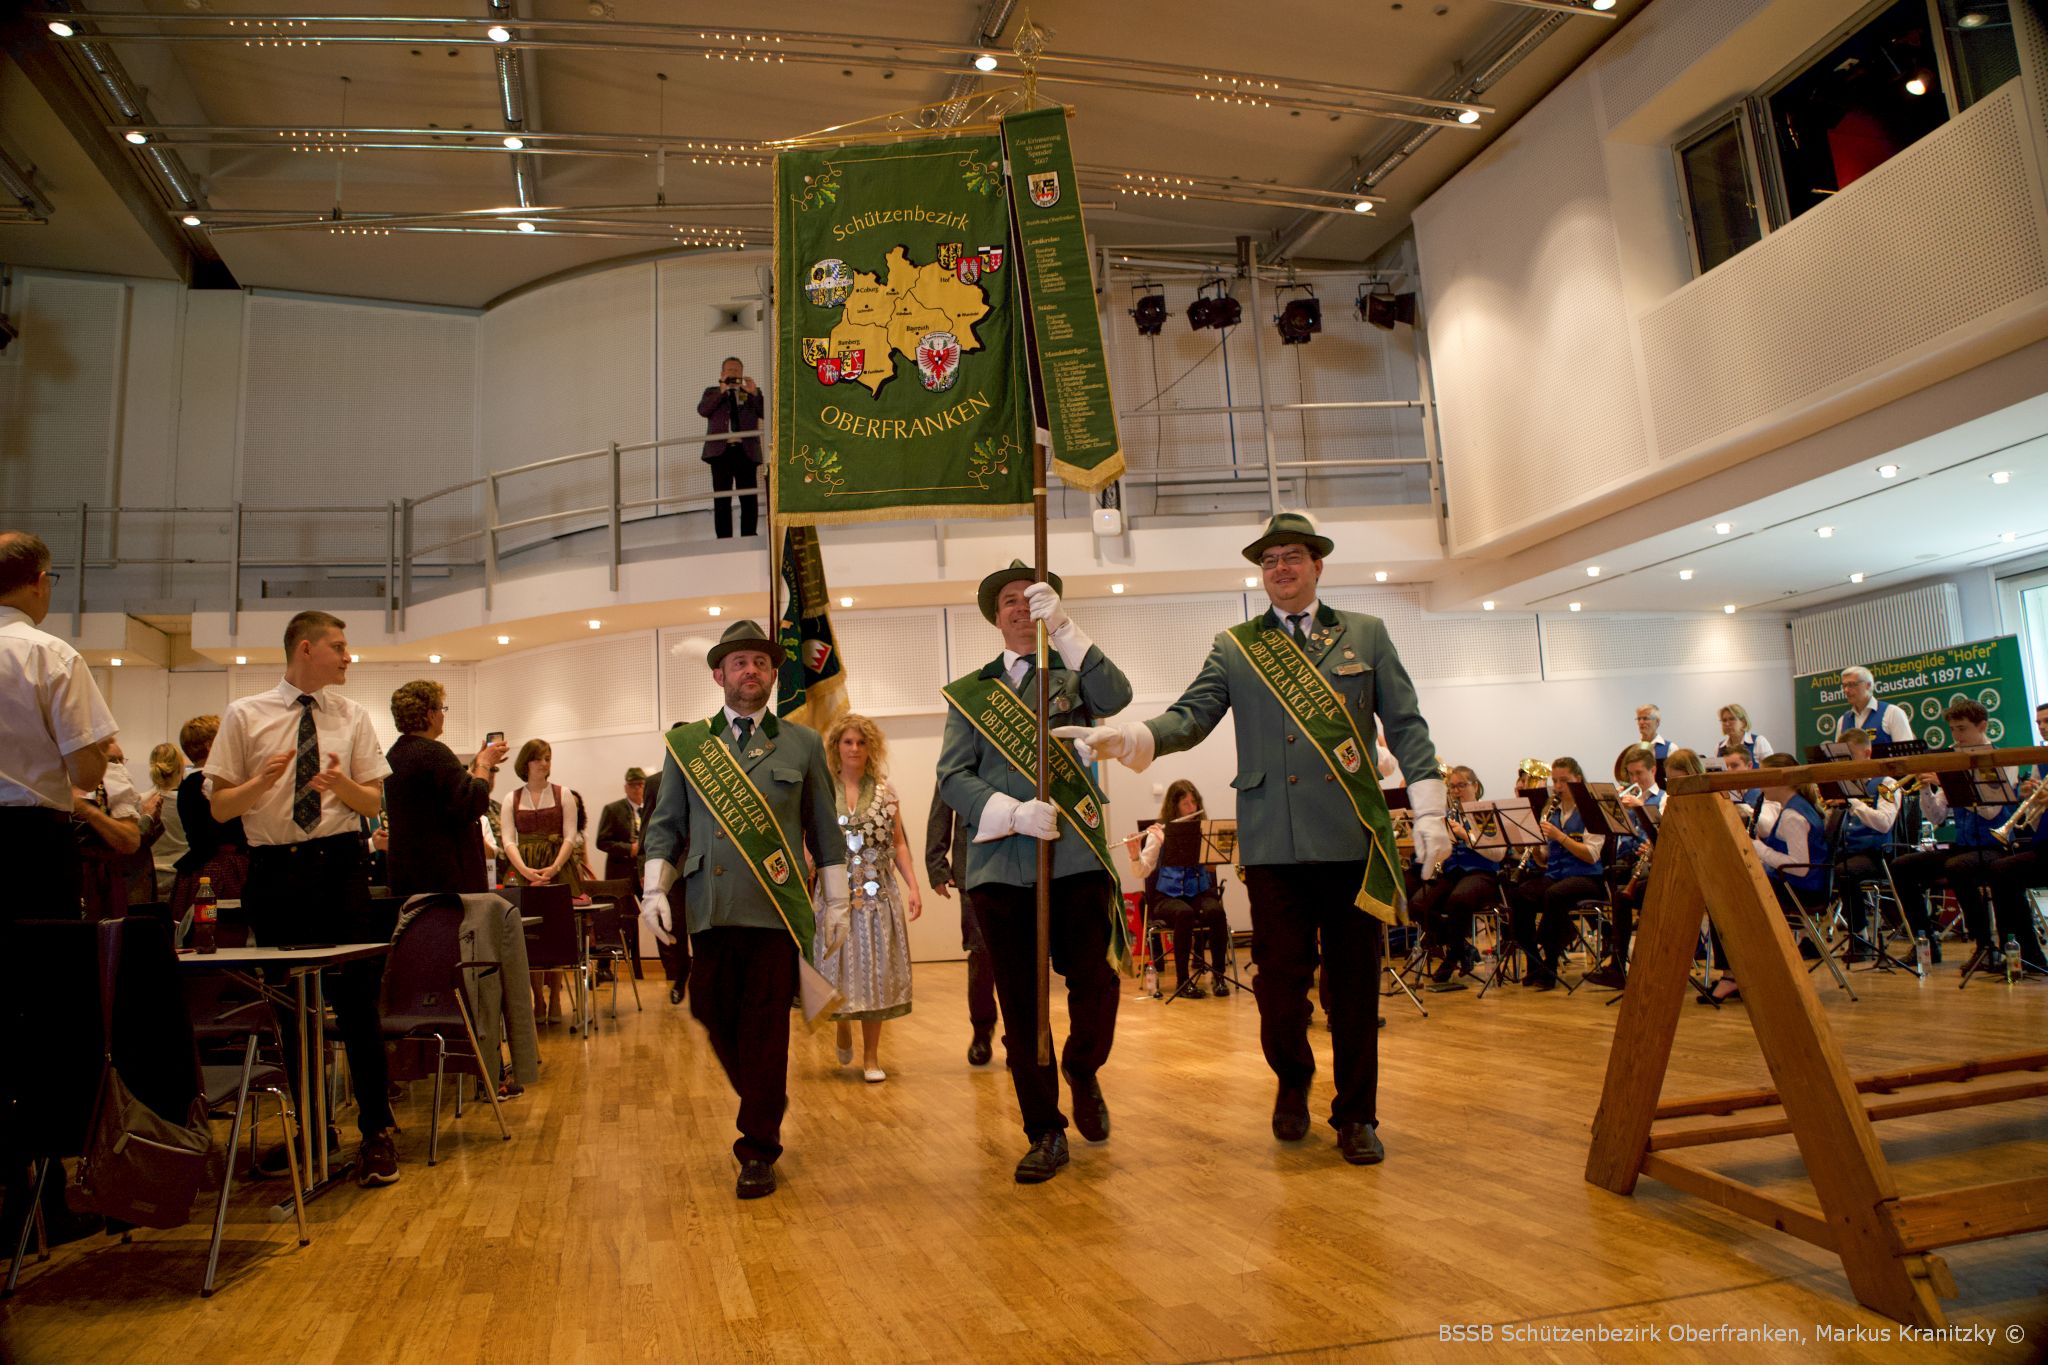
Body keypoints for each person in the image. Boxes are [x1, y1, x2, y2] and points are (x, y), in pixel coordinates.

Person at [1060, 513, 1448, 1169]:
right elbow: (1191, 715)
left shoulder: (1366, 635)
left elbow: (1406, 724)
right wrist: (1131, 739)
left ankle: (1356, 1114)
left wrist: (1431, 805)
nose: (1281, 570)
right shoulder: (1237, 646)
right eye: (1269, 562)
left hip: (1352, 839)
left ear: (1317, 565)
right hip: (1273, 844)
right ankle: (1292, 1081)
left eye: (1292, 557)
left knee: (1353, 987)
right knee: (1278, 985)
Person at [941, 560, 1134, 1184]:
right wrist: (1009, 812)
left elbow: (1118, 698)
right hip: (999, 867)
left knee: (1095, 983)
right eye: (1007, 602)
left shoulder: (1075, 677)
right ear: (996, 618)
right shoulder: (971, 694)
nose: (1020, 607)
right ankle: (1045, 1130)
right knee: (1022, 1006)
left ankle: (1082, 1067)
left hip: (1076, 857)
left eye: (1031, 598)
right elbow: (951, 775)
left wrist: (1070, 631)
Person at [640, 622, 846, 1198]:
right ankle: (764, 1095)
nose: (749, 671)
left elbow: (822, 828)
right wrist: (655, 889)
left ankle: (757, 1147)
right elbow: (666, 827)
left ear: (773, 673)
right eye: (738, 663)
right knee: (709, 1009)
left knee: (764, 1029)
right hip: (708, 908)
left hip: (773, 912)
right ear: (719, 675)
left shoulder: (802, 744)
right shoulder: (688, 747)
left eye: (759, 662)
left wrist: (837, 899)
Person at [203, 610, 399, 1187]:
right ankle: (312, 1129)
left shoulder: (353, 715)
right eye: (339, 646)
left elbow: (371, 806)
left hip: (339, 867)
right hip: (274, 871)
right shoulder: (246, 715)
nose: (348, 656)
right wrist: (261, 784)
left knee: (358, 1005)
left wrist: (341, 785)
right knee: (290, 1011)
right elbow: (219, 808)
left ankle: (376, 1131)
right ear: (305, 648)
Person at [0, 531, 115, 919]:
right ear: (40, 581)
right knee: (44, 968)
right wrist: (99, 750)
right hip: (30, 844)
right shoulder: (51, 655)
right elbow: (85, 772)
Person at [819, 713, 921, 1082]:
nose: (855, 748)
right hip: (833, 894)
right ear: (836, 747)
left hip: (877, 895)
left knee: (876, 974)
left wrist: (913, 886)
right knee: (839, 972)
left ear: (870, 747)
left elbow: (899, 843)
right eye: (848, 742)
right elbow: (807, 843)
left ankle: (872, 1058)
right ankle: (843, 1026)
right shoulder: (821, 791)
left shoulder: (885, 791)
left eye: (861, 742)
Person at [1888, 699, 2017, 970]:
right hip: (1965, 845)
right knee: (1902, 866)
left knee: (1957, 867)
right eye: (1952, 731)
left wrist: (1954, 782)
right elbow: (1936, 818)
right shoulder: (1954, 761)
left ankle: (1985, 946)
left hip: (1995, 845)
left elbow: (1992, 813)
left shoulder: (2003, 759)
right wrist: (1925, 788)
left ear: (1982, 726)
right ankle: (1926, 940)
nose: (1956, 737)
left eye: (1962, 729)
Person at [1703, 754, 1831, 1004]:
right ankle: (1742, 972)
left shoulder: (1795, 816)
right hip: (1792, 884)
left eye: (1764, 777)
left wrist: (1756, 848)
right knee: (1726, 894)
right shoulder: (1792, 807)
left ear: (1782, 780)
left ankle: (1733, 976)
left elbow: (1800, 867)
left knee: (1722, 899)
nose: (1759, 784)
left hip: (1801, 888)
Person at [383, 680, 506, 898]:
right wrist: (485, 765)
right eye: (442, 709)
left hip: (410, 874)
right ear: (430, 715)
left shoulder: (395, 754)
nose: (443, 715)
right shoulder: (434, 752)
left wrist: (476, 764)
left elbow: (445, 794)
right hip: (444, 876)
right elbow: (473, 802)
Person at [1507, 757, 1606, 991]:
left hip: (1587, 877)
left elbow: (1591, 855)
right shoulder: (1550, 810)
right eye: (1555, 781)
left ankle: (1550, 966)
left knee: (1555, 894)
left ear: (1578, 779)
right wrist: (1533, 847)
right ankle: (1534, 963)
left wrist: (1560, 837)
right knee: (1519, 896)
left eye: (1565, 781)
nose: (1559, 786)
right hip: (1556, 875)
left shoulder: (1590, 810)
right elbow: (1544, 860)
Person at [1406, 765, 1504, 985]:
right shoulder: (1449, 815)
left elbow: (1498, 854)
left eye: (1462, 785)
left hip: (1482, 873)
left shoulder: (1485, 813)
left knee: (1458, 900)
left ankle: (1451, 958)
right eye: (1452, 787)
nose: (1457, 791)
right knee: (1418, 904)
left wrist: (1466, 836)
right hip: (1453, 873)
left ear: (1475, 786)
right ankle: (1461, 947)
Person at [504, 738, 579, 1021]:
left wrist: (554, 866)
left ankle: (557, 997)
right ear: (526, 763)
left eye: (547, 758)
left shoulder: (564, 794)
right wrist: (524, 870)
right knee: (529, 938)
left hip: (558, 868)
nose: (544, 763)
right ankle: (537, 999)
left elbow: (570, 835)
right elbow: (508, 839)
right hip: (524, 872)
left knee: (556, 932)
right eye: (538, 758)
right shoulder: (512, 798)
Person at [1135, 780, 1231, 998]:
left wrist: (1211, 851)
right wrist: (1141, 848)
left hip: (1198, 892)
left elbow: (1211, 867)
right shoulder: (1161, 832)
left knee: (1216, 912)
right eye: (1185, 804)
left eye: (1193, 802)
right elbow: (1144, 868)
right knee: (1184, 914)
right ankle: (1182, 981)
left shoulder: (1203, 830)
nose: (1191, 808)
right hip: (1167, 896)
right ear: (1174, 807)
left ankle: (1219, 976)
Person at [925, 787, 997, 1066]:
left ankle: (1019, 1037)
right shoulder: (961, 748)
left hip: (1018, 866)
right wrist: (937, 866)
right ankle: (982, 1029)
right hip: (971, 869)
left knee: (1018, 958)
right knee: (980, 954)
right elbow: (941, 810)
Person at [1832, 728, 1902, 964]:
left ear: (1867, 753)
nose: (1846, 763)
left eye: (1850, 756)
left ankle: (1860, 936)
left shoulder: (1887, 783)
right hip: (1847, 851)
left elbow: (1884, 823)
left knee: (1845, 872)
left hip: (1877, 854)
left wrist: (1853, 803)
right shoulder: (1844, 782)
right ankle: (1805, 937)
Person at [171, 714, 247, 918]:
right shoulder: (210, 782)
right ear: (210, 745)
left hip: (202, 867)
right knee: (224, 928)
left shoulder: (188, 783)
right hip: (222, 870)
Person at [74, 738, 144, 920]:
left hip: (100, 883)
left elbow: (131, 841)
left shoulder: (110, 782)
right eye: (113, 760)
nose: (119, 766)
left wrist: (87, 811)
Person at [699, 356, 765, 539]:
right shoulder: (711, 392)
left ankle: (749, 536)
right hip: (720, 453)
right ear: (722, 373)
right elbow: (703, 410)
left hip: (746, 451)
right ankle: (723, 539)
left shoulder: (752, 392)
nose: (733, 373)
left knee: (749, 498)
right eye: (729, 370)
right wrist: (722, 390)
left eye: (737, 371)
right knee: (722, 498)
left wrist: (753, 394)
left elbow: (766, 413)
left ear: (742, 374)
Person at [144, 743, 188, 901]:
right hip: (181, 877)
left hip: (150, 877)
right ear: (180, 767)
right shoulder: (190, 802)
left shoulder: (141, 802)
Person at [1832, 665, 1915, 744]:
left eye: (1851, 684)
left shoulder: (1892, 713)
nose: (1846, 690)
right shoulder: (1842, 721)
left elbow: (1908, 755)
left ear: (1868, 685)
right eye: (1844, 685)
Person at [597, 768, 647, 884]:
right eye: (632, 785)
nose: (636, 788)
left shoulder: (652, 809)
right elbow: (602, 842)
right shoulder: (613, 810)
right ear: (625, 787)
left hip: (646, 873)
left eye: (640, 784)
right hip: (621, 873)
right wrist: (629, 849)